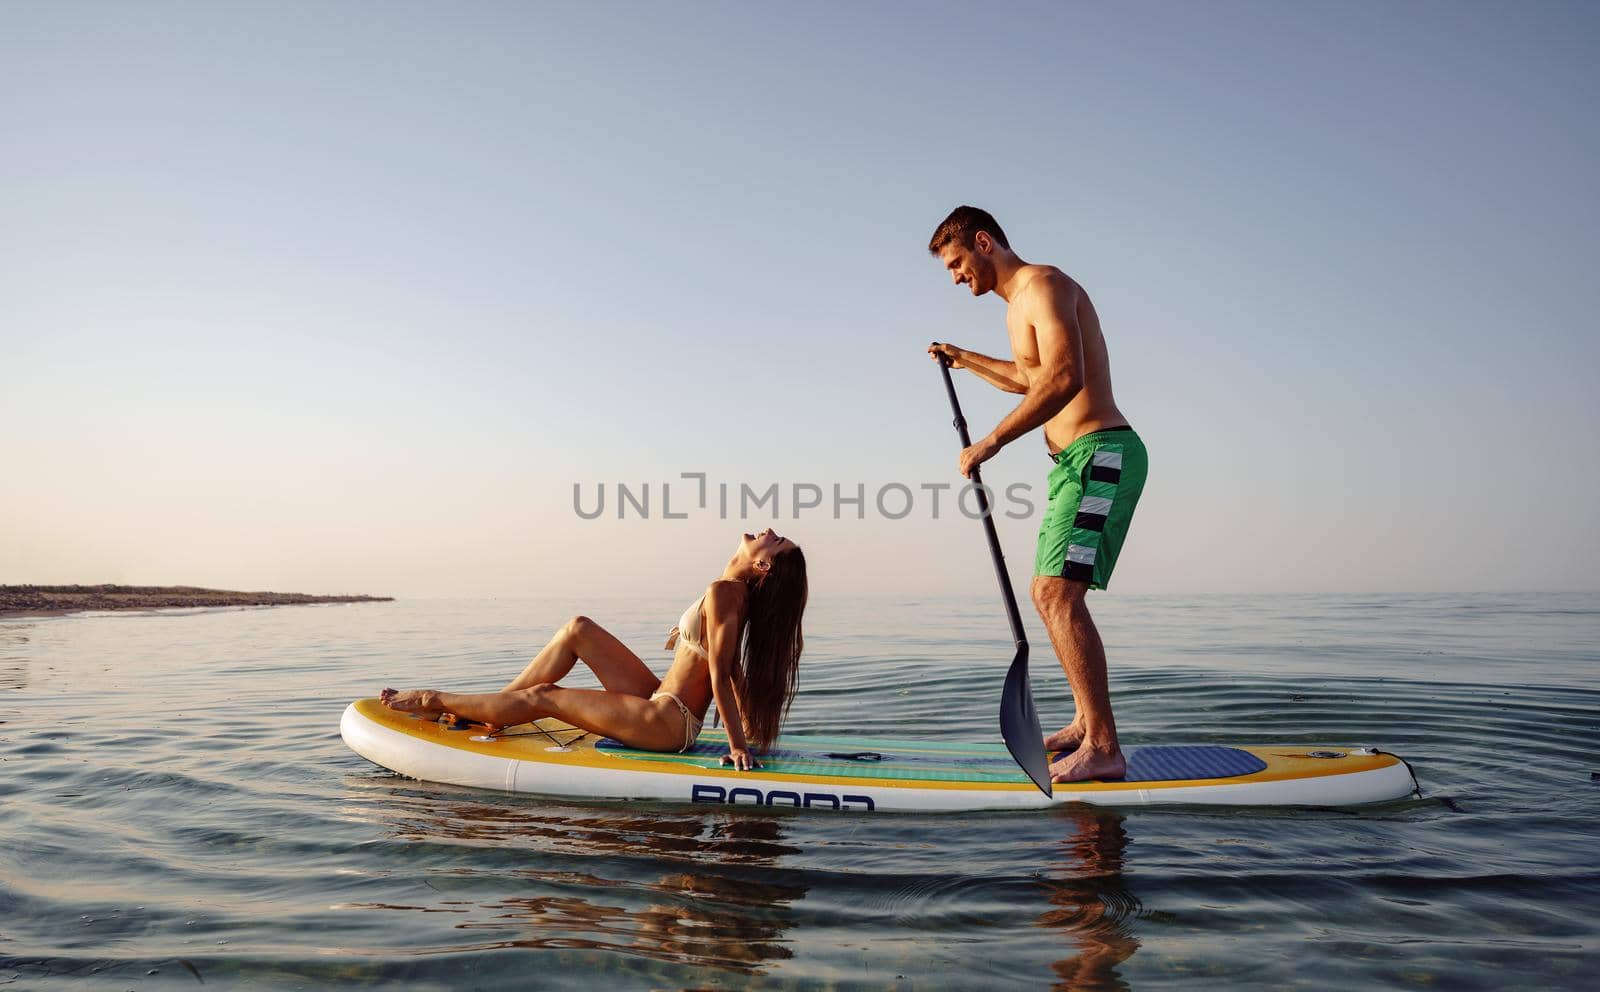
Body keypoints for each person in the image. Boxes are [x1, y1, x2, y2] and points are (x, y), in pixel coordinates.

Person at [926, 205, 1148, 784]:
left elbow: (1064, 376)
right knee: (1048, 593)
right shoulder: (1018, 307)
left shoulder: (1043, 285)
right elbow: (1028, 376)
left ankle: (1103, 745)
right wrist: (960, 356)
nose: (955, 277)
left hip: (1101, 456)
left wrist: (991, 442)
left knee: (1056, 594)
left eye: (955, 263)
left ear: (983, 242)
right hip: (1075, 463)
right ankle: (1085, 722)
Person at [381, 528, 806, 771]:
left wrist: (737, 747)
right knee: (578, 630)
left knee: (546, 697)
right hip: (661, 702)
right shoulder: (732, 594)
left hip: (668, 723)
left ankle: (433, 699)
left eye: (776, 540)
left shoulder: (725, 592)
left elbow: (720, 671)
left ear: (762, 566)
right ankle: (490, 707)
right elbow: (733, 669)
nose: (767, 532)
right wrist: (750, 725)